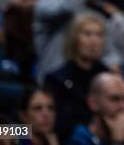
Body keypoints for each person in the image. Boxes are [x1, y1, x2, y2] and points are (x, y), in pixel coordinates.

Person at [44, 12, 111, 142]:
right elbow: (56, 124)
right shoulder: (57, 79)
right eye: (87, 34)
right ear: (74, 39)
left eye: (99, 35)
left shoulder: (110, 78)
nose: (93, 41)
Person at [67, 72, 124, 145]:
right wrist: (118, 141)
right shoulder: (80, 139)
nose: (123, 107)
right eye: (115, 99)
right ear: (93, 104)